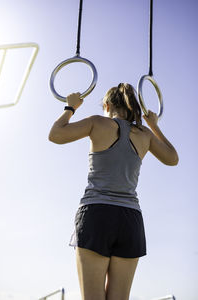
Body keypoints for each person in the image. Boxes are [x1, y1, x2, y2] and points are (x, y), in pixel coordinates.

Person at [48, 83, 179, 300]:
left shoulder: (97, 122)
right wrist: (154, 126)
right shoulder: (144, 134)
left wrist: (70, 107)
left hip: (96, 214)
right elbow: (173, 159)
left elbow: (55, 134)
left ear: (107, 105)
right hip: (130, 220)